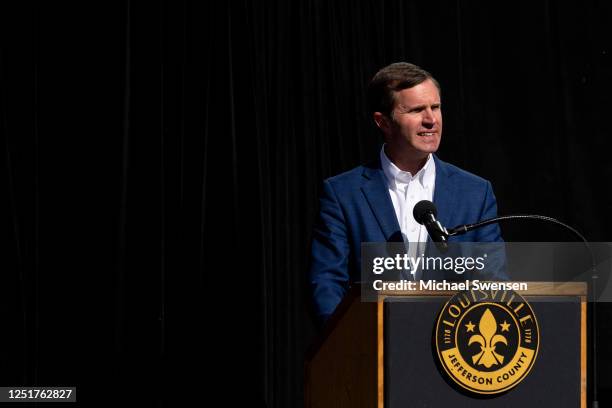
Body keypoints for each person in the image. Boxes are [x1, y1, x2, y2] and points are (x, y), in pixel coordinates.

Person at [309, 62, 504, 326]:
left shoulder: (475, 193)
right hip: (371, 353)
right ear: (383, 122)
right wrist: (349, 344)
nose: (431, 119)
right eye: (416, 110)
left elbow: (492, 281)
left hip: (453, 350)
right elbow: (327, 283)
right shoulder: (344, 194)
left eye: (435, 107)